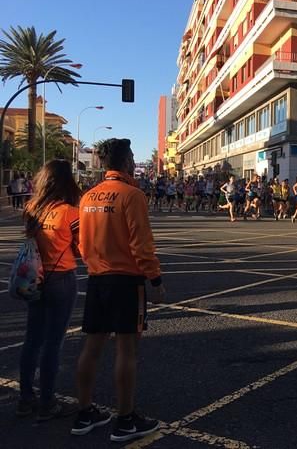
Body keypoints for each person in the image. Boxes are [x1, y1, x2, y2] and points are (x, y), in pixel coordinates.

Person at [72, 138, 164, 442]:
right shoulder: (132, 195)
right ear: (125, 163)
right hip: (126, 281)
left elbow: (82, 244)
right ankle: (125, 420)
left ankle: (83, 413)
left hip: (97, 278)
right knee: (127, 350)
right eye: (133, 157)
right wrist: (155, 279)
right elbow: (142, 244)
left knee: (92, 347)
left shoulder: (88, 197)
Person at [17, 160, 81, 421]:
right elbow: (80, 248)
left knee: (32, 339)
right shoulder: (69, 213)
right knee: (53, 342)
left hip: (35, 277)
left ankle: (25, 398)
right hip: (61, 278)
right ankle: (47, 402)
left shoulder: (31, 208)